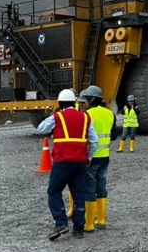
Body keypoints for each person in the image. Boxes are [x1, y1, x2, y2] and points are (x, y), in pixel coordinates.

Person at [36, 88, 98, 240]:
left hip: (62, 162)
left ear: (60, 103)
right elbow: (94, 142)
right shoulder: (85, 118)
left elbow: (40, 128)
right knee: (79, 195)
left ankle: (61, 223)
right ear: (74, 102)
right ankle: (78, 228)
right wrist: (88, 157)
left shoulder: (57, 117)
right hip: (80, 163)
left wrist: (54, 115)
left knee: (54, 191)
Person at [79, 85, 119, 232]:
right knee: (101, 188)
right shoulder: (110, 114)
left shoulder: (87, 115)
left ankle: (89, 224)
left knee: (90, 189)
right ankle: (101, 220)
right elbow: (114, 136)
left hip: (91, 157)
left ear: (91, 99)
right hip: (105, 157)